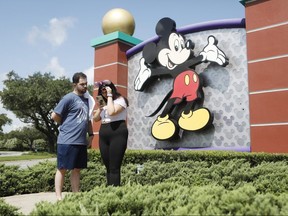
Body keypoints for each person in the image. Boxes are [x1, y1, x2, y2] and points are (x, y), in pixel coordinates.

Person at [51, 72, 94, 200]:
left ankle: (76, 195)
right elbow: (54, 116)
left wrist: (91, 135)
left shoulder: (87, 100)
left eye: (86, 84)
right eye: (82, 84)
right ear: (74, 84)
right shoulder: (68, 98)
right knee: (62, 169)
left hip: (81, 142)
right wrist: (65, 124)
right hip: (66, 140)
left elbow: (88, 119)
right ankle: (59, 197)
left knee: (76, 169)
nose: (85, 86)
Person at [93, 80, 129, 186]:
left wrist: (109, 96)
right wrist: (99, 109)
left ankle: (115, 192)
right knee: (108, 166)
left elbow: (112, 112)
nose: (103, 92)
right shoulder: (105, 104)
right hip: (104, 132)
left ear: (112, 89)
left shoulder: (120, 100)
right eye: (102, 91)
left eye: (106, 90)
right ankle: (109, 190)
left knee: (114, 167)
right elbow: (95, 119)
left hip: (117, 131)